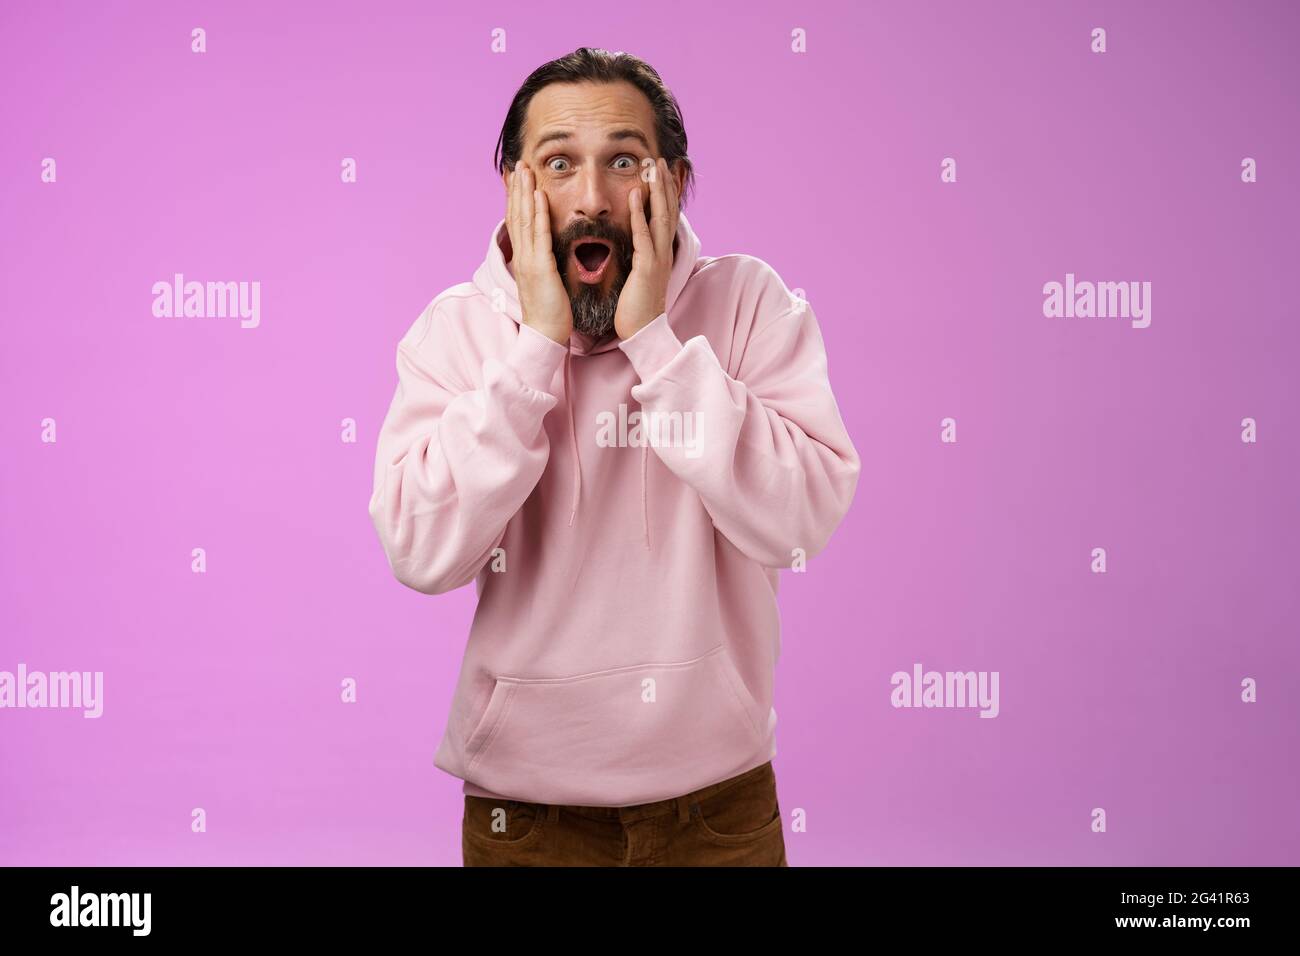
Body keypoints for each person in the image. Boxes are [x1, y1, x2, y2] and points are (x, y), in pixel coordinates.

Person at [367, 47, 860, 866]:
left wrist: (656, 346)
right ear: (516, 186)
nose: (592, 198)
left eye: (623, 161)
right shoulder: (453, 333)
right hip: (524, 816)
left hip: (719, 804)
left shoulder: (749, 306)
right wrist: (533, 355)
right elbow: (420, 553)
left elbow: (801, 522)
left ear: (675, 179)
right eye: (559, 163)